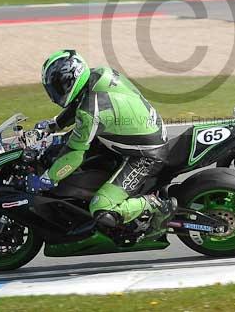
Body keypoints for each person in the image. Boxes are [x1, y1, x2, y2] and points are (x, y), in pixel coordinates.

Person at [26, 50, 176, 232]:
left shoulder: (90, 112)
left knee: (101, 208)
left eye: (59, 86)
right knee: (62, 145)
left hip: (146, 155)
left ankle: (155, 204)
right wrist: (54, 125)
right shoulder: (98, 74)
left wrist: (48, 179)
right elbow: (80, 103)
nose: (56, 93)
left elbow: (74, 154)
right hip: (143, 132)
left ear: (72, 79)